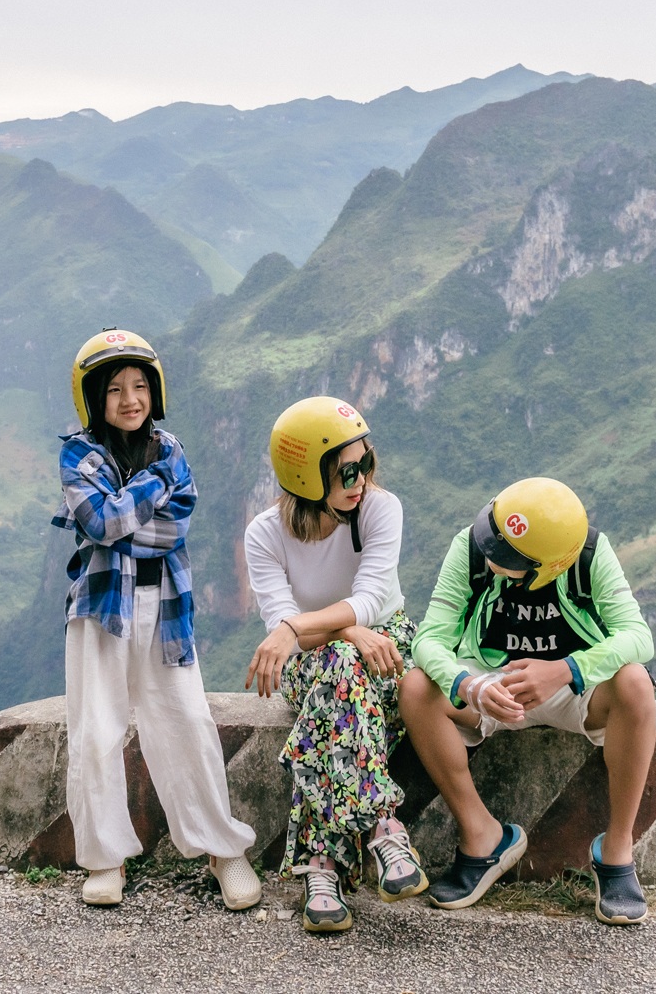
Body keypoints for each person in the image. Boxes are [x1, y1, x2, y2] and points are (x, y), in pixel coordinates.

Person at [52, 329, 261, 911]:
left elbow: (175, 525)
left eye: (139, 386)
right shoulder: (79, 453)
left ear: (155, 391)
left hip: (165, 608)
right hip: (101, 610)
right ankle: (105, 859)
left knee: (187, 721)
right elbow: (99, 524)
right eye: (115, 389)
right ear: (94, 398)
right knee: (96, 730)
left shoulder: (170, 447)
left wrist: (123, 516)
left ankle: (223, 849)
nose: (129, 399)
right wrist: (151, 488)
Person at [400, 476, 656, 924]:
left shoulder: (590, 555)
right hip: (491, 681)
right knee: (417, 687)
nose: (490, 554)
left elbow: (638, 636)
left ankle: (617, 850)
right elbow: (429, 639)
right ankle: (482, 835)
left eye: (508, 556)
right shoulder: (470, 548)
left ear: (551, 565)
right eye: (491, 538)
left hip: (573, 683)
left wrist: (566, 670)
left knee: (636, 684)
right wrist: (467, 685)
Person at [241, 398, 427, 933]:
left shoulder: (379, 509)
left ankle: (321, 869)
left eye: (365, 463)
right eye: (346, 470)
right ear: (305, 474)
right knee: (341, 661)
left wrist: (303, 627)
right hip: (320, 656)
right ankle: (384, 829)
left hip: (386, 646)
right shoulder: (264, 534)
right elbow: (292, 620)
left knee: (333, 686)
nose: (361, 480)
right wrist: (337, 631)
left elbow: (367, 600)